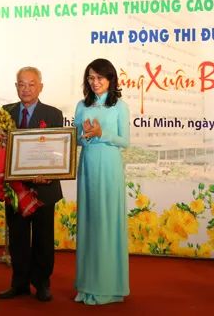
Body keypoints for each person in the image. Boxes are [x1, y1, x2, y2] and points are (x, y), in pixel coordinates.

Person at [0, 66, 64, 302]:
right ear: (16, 87)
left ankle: (42, 284)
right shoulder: (5, 113)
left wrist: (49, 173)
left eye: (31, 84)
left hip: (44, 187)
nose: (26, 89)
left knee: (43, 240)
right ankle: (19, 283)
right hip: (15, 189)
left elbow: (58, 150)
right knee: (18, 239)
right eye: (22, 84)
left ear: (40, 87)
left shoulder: (53, 114)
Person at [74, 58, 130, 305]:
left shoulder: (119, 105)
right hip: (88, 165)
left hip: (109, 167)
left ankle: (109, 286)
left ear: (110, 79)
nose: (95, 82)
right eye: (91, 77)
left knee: (107, 222)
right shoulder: (82, 105)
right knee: (89, 222)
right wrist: (85, 135)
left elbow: (125, 141)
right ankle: (88, 285)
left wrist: (101, 134)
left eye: (99, 78)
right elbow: (77, 138)